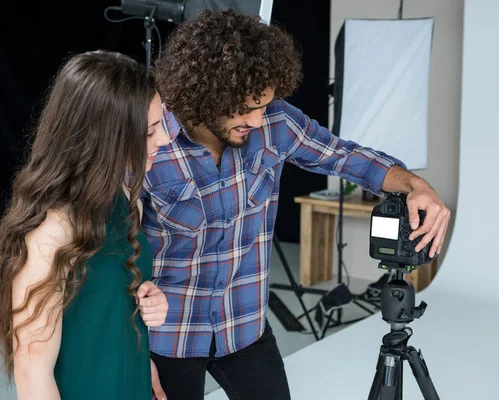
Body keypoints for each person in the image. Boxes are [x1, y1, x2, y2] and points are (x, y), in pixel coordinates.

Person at [144, 9, 451, 400]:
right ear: (207, 93)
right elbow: (113, 249)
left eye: (264, 104)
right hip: (167, 338)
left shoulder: (276, 123)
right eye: (245, 108)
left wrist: (415, 185)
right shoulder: (152, 140)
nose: (257, 120)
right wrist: (134, 353)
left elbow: (346, 156)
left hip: (245, 327)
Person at [0, 50, 171, 400]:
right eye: (150, 131)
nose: (164, 141)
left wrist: (152, 303)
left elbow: (108, 303)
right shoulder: (50, 232)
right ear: (109, 136)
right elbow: (33, 374)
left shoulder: (126, 197)